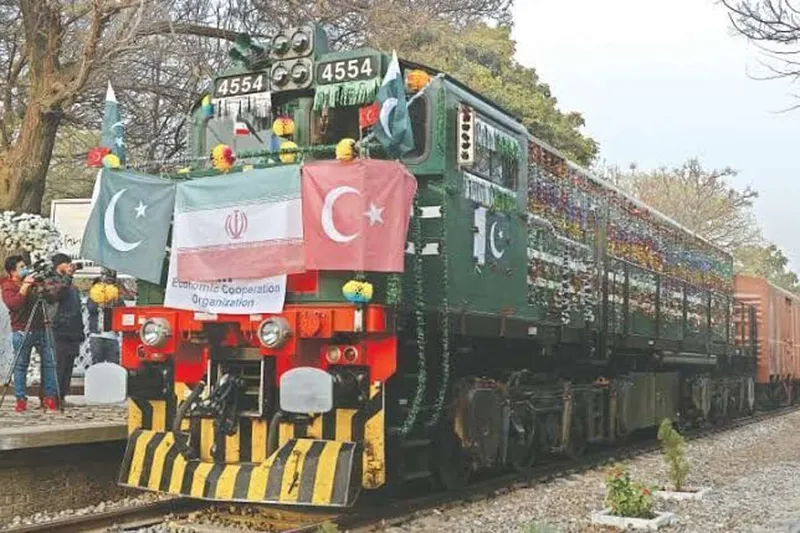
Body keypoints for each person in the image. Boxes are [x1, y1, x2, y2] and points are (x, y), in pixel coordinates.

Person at [1, 255, 59, 412]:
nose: (24, 269)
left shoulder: (34, 282)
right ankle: (21, 399)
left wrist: (44, 286)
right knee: (21, 366)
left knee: (49, 363)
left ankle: (50, 397)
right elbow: (14, 305)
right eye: (21, 267)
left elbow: (52, 298)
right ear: (12, 271)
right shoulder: (8, 286)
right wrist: (25, 286)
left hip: (41, 328)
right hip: (22, 330)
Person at [48, 253, 85, 406]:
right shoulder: (52, 280)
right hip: (59, 329)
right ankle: (53, 397)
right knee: (59, 365)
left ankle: (62, 396)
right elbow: (57, 294)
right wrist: (68, 277)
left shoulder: (70, 283)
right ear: (59, 265)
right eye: (67, 264)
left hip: (73, 330)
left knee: (68, 365)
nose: (70, 267)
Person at [87, 268, 127, 365]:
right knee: (96, 363)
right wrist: (100, 301)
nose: (107, 280)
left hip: (112, 335)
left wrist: (113, 302)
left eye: (110, 279)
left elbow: (122, 311)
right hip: (96, 335)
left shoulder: (117, 297)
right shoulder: (94, 293)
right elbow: (91, 309)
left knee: (113, 363)